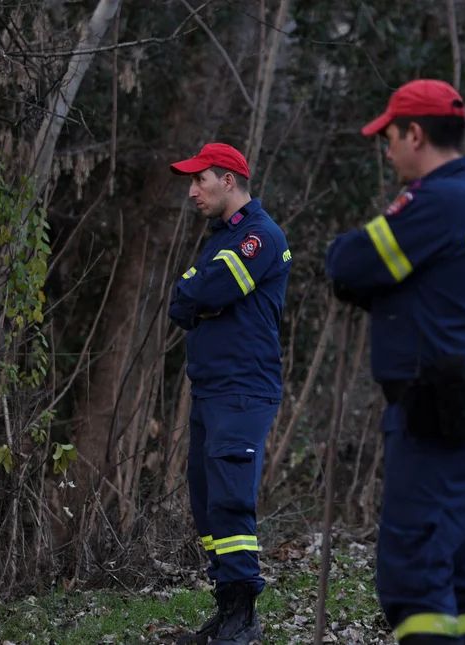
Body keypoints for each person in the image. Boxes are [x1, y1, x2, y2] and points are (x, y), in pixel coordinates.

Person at [325, 80, 465, 644]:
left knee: (415, 578)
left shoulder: (436, 202)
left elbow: (350, 261)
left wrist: (362, 278)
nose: (387, 151)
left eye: (389, 137)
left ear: (416, 133)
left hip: (433, 412)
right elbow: (436, 292)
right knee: (460, 578)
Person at [167, 142, 292, 644]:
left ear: (229, 180)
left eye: (201, 180)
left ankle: (244, 616)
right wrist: (194, 293)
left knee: (232, 501)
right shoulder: (222, 237)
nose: (193, 190)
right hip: (212, 389)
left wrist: (196, 293)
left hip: (243, 390)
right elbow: (183, 301)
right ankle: (227, 607)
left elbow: (204, 292)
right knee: (208, 502)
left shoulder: (258, 236)